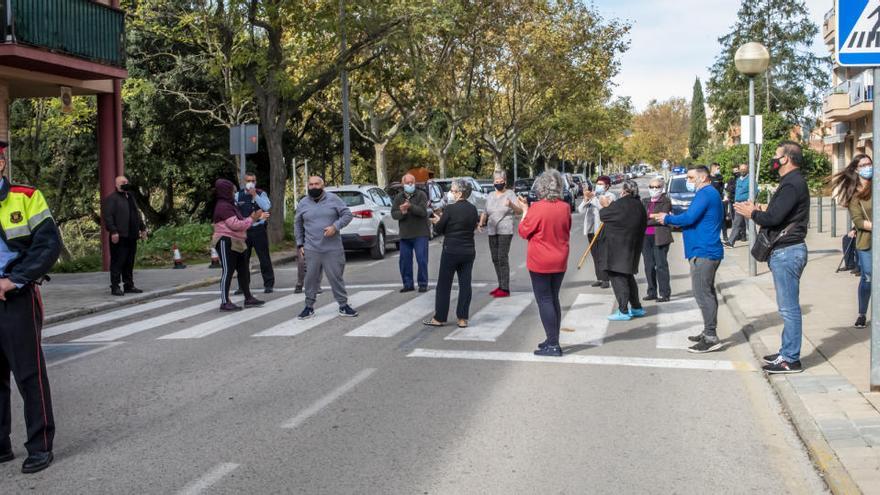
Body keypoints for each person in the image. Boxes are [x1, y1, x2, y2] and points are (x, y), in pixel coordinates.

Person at [0, 145, 62, 474]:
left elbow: (48, 244)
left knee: (29, 374)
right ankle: (1, 445)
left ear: (1, 161)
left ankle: (40, 446)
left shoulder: (25, 196)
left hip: (17, 296)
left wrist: (16, 279)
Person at [735, 141, 810, 374]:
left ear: (786, 158)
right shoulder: (791, 182)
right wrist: (760, 208)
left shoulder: (792, 183)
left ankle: (791, 359)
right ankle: (785, 352)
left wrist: (753, 213)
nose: (774, 159)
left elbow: (774, 219)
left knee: (789, 309)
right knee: (786, 307)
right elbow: (781, 213)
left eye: (777, 155)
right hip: (787, 251)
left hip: (787, 252)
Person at [653, 166, 725, 353]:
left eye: (691, 178)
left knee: (702, 294)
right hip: (704, 249)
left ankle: (711, 337)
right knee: (706, 292)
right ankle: (708, 330)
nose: (689, 181)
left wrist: (667, 218)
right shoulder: (709, 193)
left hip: (704, 251)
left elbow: (689, 218)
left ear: (702, 178)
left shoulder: (705, 194)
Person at [517, 171, 571, 357]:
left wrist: (525, 211)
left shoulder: (537, 208)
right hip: (560, 258)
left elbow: (524, 232)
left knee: (545, 300)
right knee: (553, 298)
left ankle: (553, 343)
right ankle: (551, 338)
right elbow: (567, 228)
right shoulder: (565, 207)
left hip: (540, 260)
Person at [295, 176, 358, 319]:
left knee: (336, 277)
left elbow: (347, 214)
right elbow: (297, 224)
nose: (313, 187)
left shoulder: (333, 199)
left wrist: (335, 227)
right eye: (310, 184)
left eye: (317, 184)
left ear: (322, 186)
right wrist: (300, 244)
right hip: (311, 247)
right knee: (310, 279)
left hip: (332, 248)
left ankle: (343, 305)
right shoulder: (303, 203)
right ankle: (309, 307)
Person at [423, 179, 480, 329]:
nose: (450, 193)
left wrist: (438, 221)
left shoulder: (450, 209)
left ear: (460, 193)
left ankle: (439, 317)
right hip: (468, 251)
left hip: (451, 250)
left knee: (444, 284)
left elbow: (440, 229)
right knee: (465, 284)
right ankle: (462, 318)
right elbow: (471, 227)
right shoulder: (473, 209)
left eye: (453, 191)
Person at [212, 179, 268, 311]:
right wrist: (253, 218)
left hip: (237, 241)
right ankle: (225, 302)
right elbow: (235, 225)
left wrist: (251, 218)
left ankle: (248, 297)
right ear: (226, 191)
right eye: (232, 190)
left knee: (243, 270)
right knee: (228, 271)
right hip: (226, 241)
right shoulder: (223, 206)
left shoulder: (231, 204)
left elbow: (240, 220)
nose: (234, 192)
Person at [831, 154, 873, 328]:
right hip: (867, 242)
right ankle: (862, 313)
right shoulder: (854, 195)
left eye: (870, 164)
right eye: (863, 165)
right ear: (856, 169)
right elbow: (858, 221)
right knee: (868, 277)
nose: (868, 167)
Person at [597, 179, 647, 321]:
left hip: (617, 249)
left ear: (624, 191)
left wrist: (606, 205)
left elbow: (604, 215)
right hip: (633, 247)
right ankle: (636, 307)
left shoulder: (621, 204)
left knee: (618, 279)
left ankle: (623, 310)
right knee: (628, 277)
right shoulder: (639, 205)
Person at [102, 176, 147, 296]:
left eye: (126, 182)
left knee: (129, 261)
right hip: (119, 235)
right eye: (123, 182)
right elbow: (108, 217)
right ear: (116, 185)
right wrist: (113, 231)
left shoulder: (131, 197)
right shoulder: (112, 199)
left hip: (132, 235)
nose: (125, 183)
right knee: (117, 262)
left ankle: (129, 285)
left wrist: (142, 228)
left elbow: (136, 214)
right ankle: (115, 286)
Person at [480, 170, 522, 297]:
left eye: (501, 181)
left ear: (505, 182)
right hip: (492, 229)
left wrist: (511, 205)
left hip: (505, 229)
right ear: (493, 183)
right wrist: (481, 222)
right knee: (495, 258)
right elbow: (485, 211)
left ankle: (505, 288)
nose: (498, 183)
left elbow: (519, 211)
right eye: (496, 182)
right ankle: (500, 285)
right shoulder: (491, 195)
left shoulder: (510, 194)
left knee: (502, 257)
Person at [235, 172, 275, 294]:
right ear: (244, 182)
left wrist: (255, 196)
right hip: (244, 231)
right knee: (242, 260)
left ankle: (268, 284)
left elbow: (267, 206)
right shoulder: (238, 195)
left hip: (258, 230)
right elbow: (235, 212)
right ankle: (243, 286)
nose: (250, 183)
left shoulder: (261, 193)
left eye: (253, 180)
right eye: (248, 180)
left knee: (264, 258)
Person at [391, 173, 430, 293]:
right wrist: (402, 212)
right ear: (403, 184)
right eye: (407, 183)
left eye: (412, 182)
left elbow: (423, 212)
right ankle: (408, 284)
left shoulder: (421, 195)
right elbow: (394, 214)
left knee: (422, 259)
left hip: (420, 233)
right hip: (405, 235)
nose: (410, 184)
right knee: (404, 261)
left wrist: (410, 206)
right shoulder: (399, 197)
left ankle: (423, 283)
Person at [577, 175, 615, 289]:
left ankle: (606, 279)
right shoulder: (592, 195)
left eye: (601, 184)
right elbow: (580, 210)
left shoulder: (610, 196)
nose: (598, 186)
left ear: (607, 186)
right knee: (595, 255)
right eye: (597, 184)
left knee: (603, 255)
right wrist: (585, 199)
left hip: (603, 229)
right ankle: (599, 277)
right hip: (591, 229)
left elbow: (603, 207)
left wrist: (593, 198)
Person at [642, 177, 673, 303]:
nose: (654, 189)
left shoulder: (666, 201)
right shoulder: (644, 201)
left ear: (662, 188)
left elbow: (662, 218)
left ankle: (665, 293)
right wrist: (652, 216)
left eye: (657, 187)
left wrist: (648, 217)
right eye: (652, 187)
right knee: (648, 266)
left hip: (660, 236)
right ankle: (652, 292)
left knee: (661, 265)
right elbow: (640, 217)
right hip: (645, 237)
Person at [725, 163, 750, 247]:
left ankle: (757, 242)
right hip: (738, 204)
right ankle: (730, 242)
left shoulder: (750, 179)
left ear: (747, 169)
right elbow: (736, 192)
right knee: (736, 223)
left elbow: (755, 191)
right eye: (741, 169)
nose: (743, 171)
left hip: (746, 204)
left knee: (750, 224)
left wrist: (749, 201)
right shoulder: (739, 179)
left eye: (744, 169)